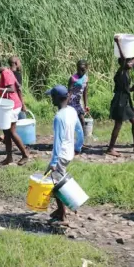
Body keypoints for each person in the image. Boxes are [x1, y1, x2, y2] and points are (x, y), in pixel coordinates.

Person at [45, 85, 84, 224]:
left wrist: (54, 162)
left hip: (61, 155)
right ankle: (60, 211)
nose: (51, 99)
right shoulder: (72, 111)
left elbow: (58, 141)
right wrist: (78, 146)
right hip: (69, 153)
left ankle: (62, 215)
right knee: (56, 180)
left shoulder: (58, 117)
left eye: (52, 97)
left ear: (56, 98)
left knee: (55, 184)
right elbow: (80, 130)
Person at [0, 58, 30, 165]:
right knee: (6, 133)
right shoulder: (7, 71)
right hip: (10, 105)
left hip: (12, 106)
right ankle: (9, 157)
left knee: (11, 132)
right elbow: (18, 87)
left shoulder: (6, 73)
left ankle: (25, 154)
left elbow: (12, 89)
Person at [107, 36, 134, 156]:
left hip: (125, 101)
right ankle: (110, 148)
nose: (130, 63)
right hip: (120, 102)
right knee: (118, 125)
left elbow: (133, 60)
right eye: (128, 62)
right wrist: (118, 43)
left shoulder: (126, 72)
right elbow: (124, 59)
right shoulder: (121, 71)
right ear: (122, 63)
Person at [68, 60, 89, 132]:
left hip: (78, 101)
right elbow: (69, 92)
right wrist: (65, 105)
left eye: (83, 70)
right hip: (71, 101)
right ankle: (71, 138)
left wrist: (86, 105)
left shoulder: (86, 78)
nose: (80, 72)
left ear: (86, 68)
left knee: (82, 121)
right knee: (72, 122)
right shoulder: (73, 79)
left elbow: (85, 92)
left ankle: (81, 139)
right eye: (78, 70)